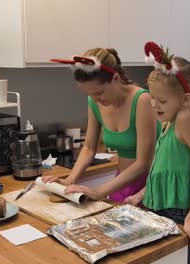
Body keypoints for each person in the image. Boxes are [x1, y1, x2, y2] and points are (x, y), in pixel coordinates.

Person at [136, 41, 190, 264]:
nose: (154, 105)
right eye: (152, 97)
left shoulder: (184, 118)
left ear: (185, 99)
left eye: (161, 100)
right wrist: (141, 195)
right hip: (160, 211)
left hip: (180, 215)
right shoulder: (169, 121)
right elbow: (163, 169)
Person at [44, 48, 160, 203]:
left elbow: (143, 164)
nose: (95, 99)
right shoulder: (95, 101)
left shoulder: (142, 100)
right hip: (121, 183)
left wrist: (98, 191)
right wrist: (69, 181)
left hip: (150, 186)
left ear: (116, 78)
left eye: (99, 93)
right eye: (89, 94)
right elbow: (89, 148)